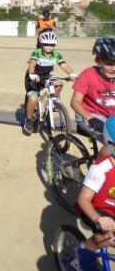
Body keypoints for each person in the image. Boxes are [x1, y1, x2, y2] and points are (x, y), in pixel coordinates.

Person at [74, 114, 115, 271]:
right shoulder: (102, 167)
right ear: (111, 144)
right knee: (106, 234)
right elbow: (83, 199)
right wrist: (98, 218)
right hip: (96, 209)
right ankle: (85, 249)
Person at [23, 31, 76, 135]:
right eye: (46, 44)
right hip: (33, 77)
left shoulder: (56, 55)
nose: (49, 47)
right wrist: (32, 74)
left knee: (59, 82)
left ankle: (53, 101)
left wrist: (71, 74)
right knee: (33, 98)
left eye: (52, 45)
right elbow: (32, 64)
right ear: (42, 44)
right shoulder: (37, 52)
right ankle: (29, 121)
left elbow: (64, 65)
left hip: (45, 76)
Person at [71, 37, 115, 138]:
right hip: (90, 114)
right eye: (109, 64)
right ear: (98, 60)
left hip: (111, 117)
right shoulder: (88, 75)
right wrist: (90, 118)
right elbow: (75, 102)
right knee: (111, 142)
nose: (114, 68)